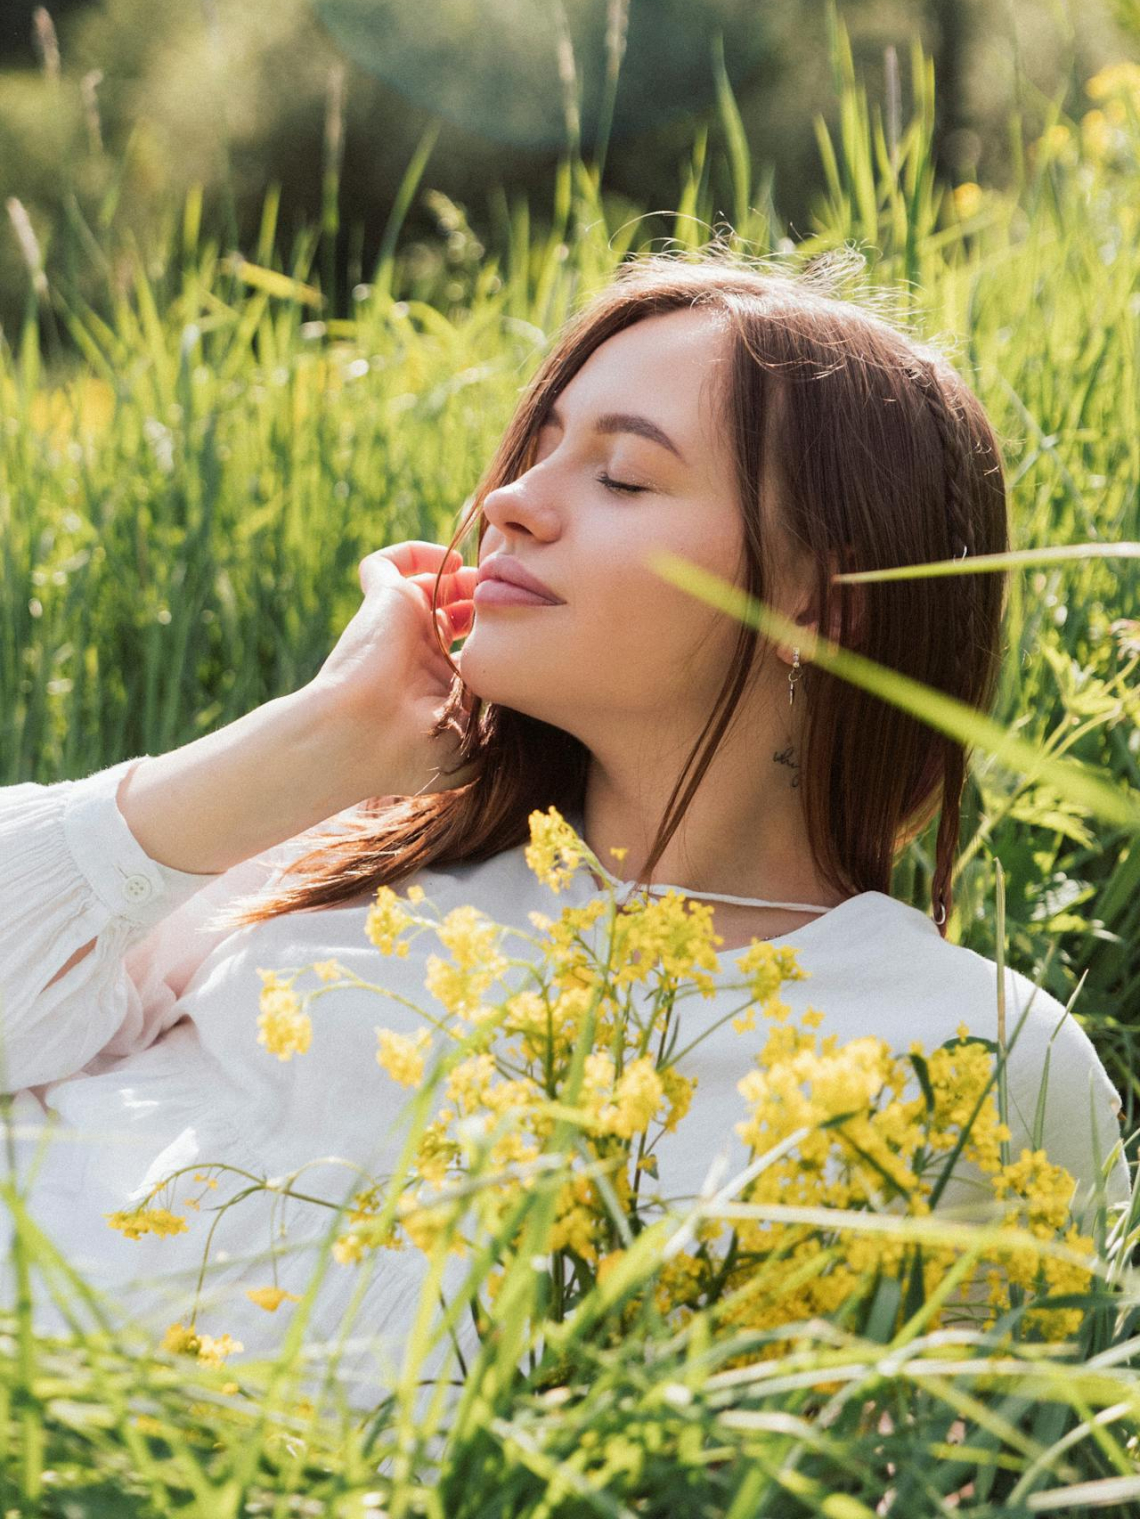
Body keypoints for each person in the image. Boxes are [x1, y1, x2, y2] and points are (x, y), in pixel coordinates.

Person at [0, 250, 1129, 1413]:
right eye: (540, 448)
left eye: (624, 478)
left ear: (818, 604)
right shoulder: (345, 851)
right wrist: (310, 743)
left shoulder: (966, 1051)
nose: (508, 502)